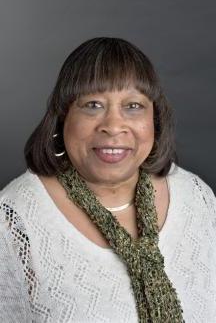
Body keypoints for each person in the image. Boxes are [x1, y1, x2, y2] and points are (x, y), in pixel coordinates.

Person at [0, 37, 215, 323]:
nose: (113, 126)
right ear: (63, 118)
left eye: (134, 106)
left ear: (155, 119)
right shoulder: (14, 221)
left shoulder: (196, 196)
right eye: (92, 104)